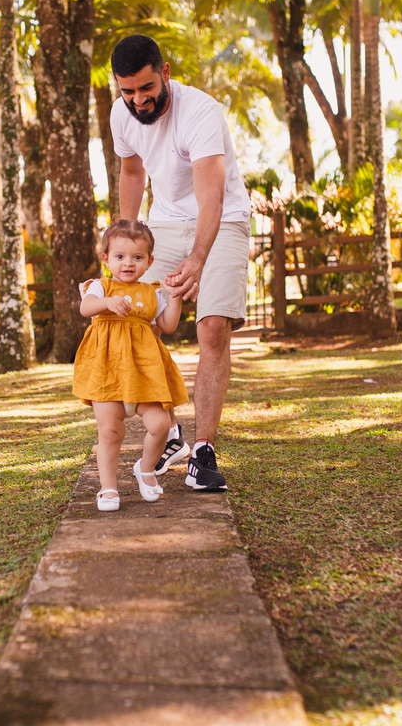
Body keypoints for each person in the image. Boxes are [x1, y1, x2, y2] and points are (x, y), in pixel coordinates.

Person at [109, 34, 250, 492]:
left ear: (164, 73)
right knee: (133, 315)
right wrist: (123, 241)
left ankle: (203, 451)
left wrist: (198, 258)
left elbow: (211, 192)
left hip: (222, 218)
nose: (137, 99)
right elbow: (132, 174)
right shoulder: (121, 114)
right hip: (164, 222)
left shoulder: (200, 111)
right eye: (127, 90)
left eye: (145, 88)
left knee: (212, 327)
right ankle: (169, 431)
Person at [73, 219, 189, 512]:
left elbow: (168, 325)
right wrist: (107, 303)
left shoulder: (152, 292)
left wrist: (174, 298)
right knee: (110, 432)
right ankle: (108, 488)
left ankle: (146, 469)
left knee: (161, 424)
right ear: (106, 258)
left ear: (149, 261)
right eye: (120, 256)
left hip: (143, 375)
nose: (128, 263)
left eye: (137, 257)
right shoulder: (100, 287)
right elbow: (85, 308)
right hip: (108, 374)